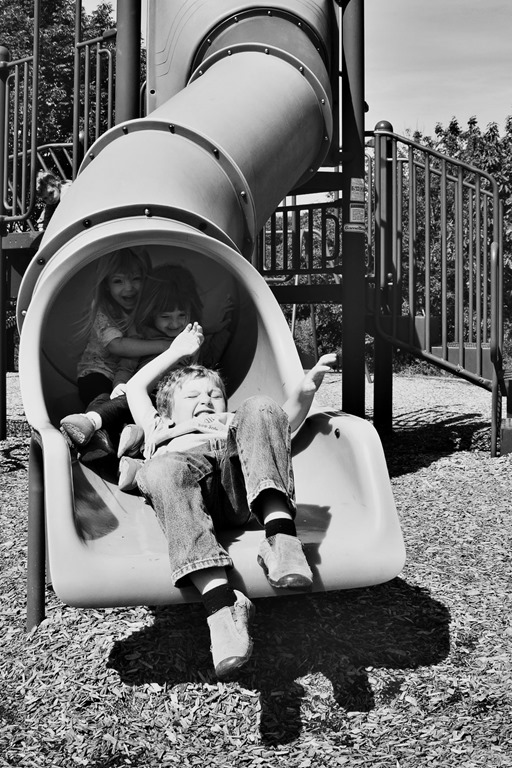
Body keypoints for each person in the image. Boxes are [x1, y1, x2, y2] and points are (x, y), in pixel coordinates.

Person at [124, 322, 336, 679]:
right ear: (168, 410)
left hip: (241, 492)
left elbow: (279, 424)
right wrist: (176, 352)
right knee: (159, 469)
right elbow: (134, 388)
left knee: (263, 407)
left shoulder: (233, 421)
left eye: (215, 394)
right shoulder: (160, 427)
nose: (206, 400)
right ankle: (222, 609)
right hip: (187, 493)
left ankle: (280, 540)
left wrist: (304, 393)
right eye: (192, 396)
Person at [60, 265, 234, 461]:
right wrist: (119, 384)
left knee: (156, 424)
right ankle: (90, 423)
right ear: (153, 316)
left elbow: (208, 360)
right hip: (146, 391)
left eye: (181, 316)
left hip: (171, 401)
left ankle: (133, 445)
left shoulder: (191, 342)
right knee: (119, 401)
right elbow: (125, 366)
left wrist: (224, 329)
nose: (175, 323)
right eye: (166, 317)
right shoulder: (145, 338)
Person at [59, 249, 173, 459]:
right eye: (118, 281)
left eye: (136, 279)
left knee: (132, 404)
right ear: (106, 285)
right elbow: (117, 346)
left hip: (128, 376)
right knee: (102, 397)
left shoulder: (146, 307)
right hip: (97, 372)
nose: (129, 288)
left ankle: (127, 440)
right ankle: (92, 432)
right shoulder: (103, 310)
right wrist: (165, 347)